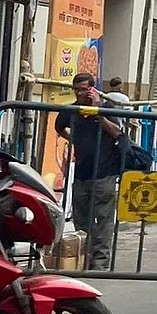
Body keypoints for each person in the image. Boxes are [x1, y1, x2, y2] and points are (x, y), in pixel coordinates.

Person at [55, 73, 126, 271]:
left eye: (83, 89)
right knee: (81, 219)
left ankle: (100, 264)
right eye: (76, 89)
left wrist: (97, 113)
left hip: (105, 173)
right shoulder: (72, 110)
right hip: (81, 173)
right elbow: (59, 127)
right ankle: (83, 260)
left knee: (103, 220)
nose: (79, 93)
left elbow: (116, 131)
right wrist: (73, 140)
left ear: (92, 89)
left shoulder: (106, 108)